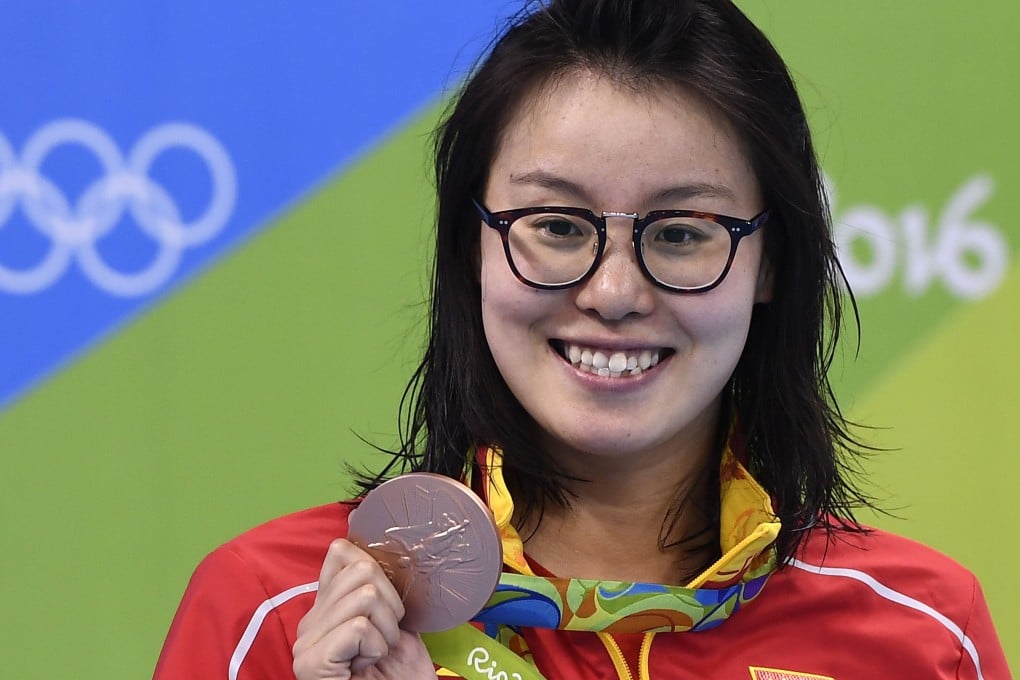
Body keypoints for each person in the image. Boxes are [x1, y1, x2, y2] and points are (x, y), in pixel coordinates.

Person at [154, 1, 1011, 678]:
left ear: (772, 265)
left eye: (681, 233)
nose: (612, 293)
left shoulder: (920, 632)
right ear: (472, 249)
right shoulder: (279, 613)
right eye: (558, 226)